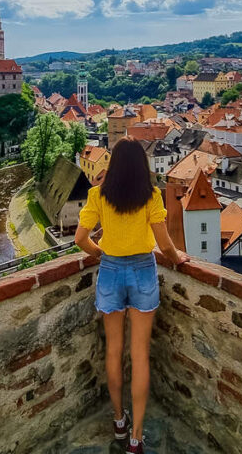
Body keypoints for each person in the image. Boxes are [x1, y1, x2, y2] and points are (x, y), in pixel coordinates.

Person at [75, 137, 188, 454]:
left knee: (114, 352)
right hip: (142, 271)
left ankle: (118, 420)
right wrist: (179, 259)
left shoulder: (98, 195)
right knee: (139, 357)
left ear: (112, 166)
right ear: (142, 166)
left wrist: (102, 255)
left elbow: (80, 238)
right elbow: (164, 245)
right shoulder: (151, 196)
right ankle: (137, 439)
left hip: (111, 271)